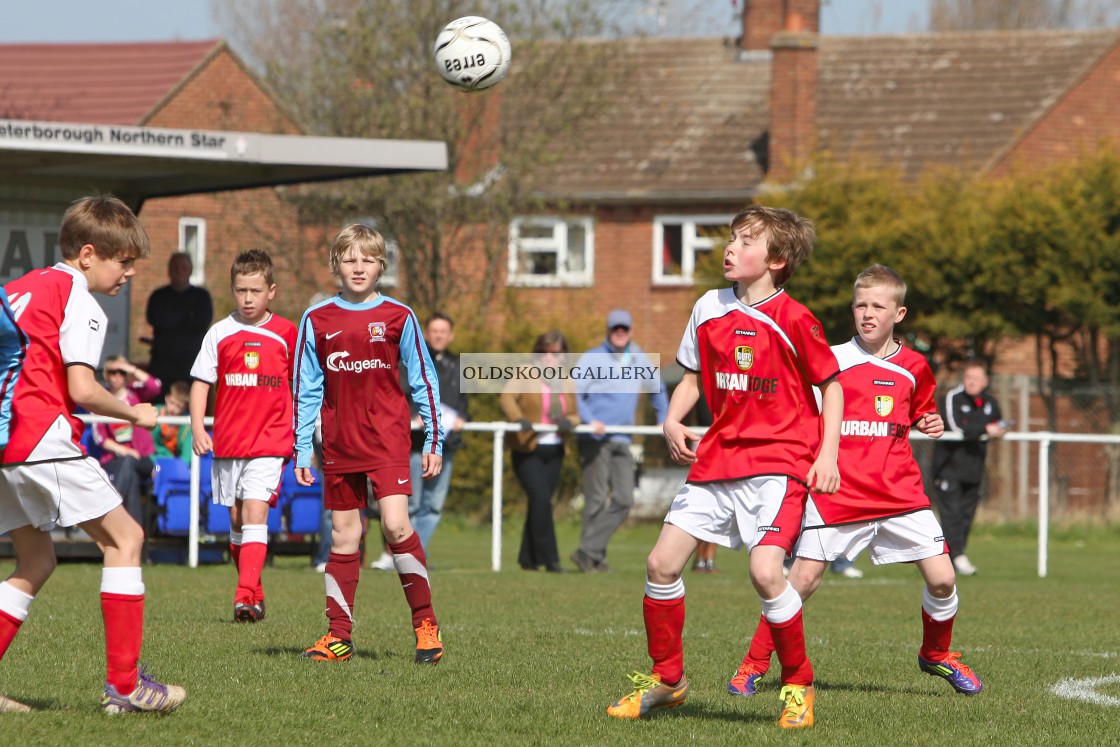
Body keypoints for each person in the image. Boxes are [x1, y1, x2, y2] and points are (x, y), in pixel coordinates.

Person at [606, 206, 841, 730]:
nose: (730, 248)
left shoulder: (797, 319)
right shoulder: (709, 306)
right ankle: (669, 681)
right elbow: (691, 377)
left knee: (764, 573)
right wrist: (672, 419)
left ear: (776, 260)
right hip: (718, 458)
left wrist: (826, 455)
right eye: (732, 238)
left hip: (779, 464)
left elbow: (832, 385)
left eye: (745, 241)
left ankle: (798, 684)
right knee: (661, 565)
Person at [728, 264, 983, 703]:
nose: (868, 314)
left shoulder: (916, 366)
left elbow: (918, 411)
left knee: (943, 579)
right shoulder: (830, 360)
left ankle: (936, 653)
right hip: (838, 492)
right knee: (802, 580)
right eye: (860, 305)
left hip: (900, 491)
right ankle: (752, 664)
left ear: (898, 313)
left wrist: (930, 420)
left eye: (878, 306)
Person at [0, 195, 185, 714]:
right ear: (87, 254)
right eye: (122, 261)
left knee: (35, 559)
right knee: (127, 538)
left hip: (5, 443)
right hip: (42, 439)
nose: (128, 272)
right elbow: (82, 389)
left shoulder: (20, 288)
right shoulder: (79, 297)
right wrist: (136, 413)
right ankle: (125, 687)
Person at [293, 223, 445, 665]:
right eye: (349, 259)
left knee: (396, 526)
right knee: (344, 537)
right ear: (335, 265)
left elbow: (424, 381)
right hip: (339, 443)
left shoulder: (400, 316)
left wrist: (434, 438)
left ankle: (425, 626)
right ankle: (338, 636)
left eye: (367, 259)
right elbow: (306, 388)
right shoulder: (316, 319)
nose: (358, 267)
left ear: (382, 265)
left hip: (388, 441)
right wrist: (304, 447)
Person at [189, 249, 297, 623]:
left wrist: (303, 431)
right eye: (241, 290)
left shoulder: (287, 334)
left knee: (255, 512)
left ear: (271, 291)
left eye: (255, 290)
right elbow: (202, 382)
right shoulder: (220, 332)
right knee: (236, 522)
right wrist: (198, 426)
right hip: (230, 442)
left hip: (271, 442)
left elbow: (302, 385)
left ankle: (242, 598)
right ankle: (255, 591)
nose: (248, 298)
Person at [571, 308, 668, 573]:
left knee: (624, 498)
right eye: (615, 329)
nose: (620, 333)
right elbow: (576, 393)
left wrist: (664, 418)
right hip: (595, 438)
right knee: (597, 497)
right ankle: (594, 558)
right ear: (608, 331)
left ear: (630, 331)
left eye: (624, 329)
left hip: (623, 438)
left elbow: (658, 389)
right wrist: (590, 420)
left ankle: (587, 551)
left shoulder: (639, 357)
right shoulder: (592, 358)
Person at [370, 312, 468, 569]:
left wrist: (461, 419)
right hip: (414, 445)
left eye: (443, 331)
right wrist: (415, 416)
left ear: (451, 335)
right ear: (426, 333)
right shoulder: (409, 361)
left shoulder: (458, 366)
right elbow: (398, 397)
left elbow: (463, 404)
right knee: (409, 504)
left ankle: (415, 555)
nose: (438, 335)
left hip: (446, 447)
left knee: (433, 506)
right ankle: (400, 555)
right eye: (434, 331)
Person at [500, 331, 581, 573]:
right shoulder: (525, 373)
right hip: (527, 448)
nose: (549, 358)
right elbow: (506, 398)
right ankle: (551, 559)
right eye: (544, 352)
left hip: (555, 449)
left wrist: (570, 422)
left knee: (540, 504)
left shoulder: (567, 380)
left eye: (555, 353)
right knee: (541, 500)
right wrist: (519, 418)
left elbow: (575, 414)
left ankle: (528, 559)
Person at [930, 359, 1007, 577]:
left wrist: (1000, 429)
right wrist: (985, 428)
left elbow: (999, 423)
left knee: (966, 516)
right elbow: (957, 426)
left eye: (976, 379)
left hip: (974, 470)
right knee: (950, 514)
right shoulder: (951, 397)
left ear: (985, 381)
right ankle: (956, 557)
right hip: (948, 469)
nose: (972, 383)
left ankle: (953, 556)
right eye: (968, 378)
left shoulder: (990, 401)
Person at [91, 356, 161, 527]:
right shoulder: (102, 398)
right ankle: (136, 531)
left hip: (143, 459)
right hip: (115, 460)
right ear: (107, 374)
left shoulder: (135, 393)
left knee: (130, 464)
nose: (117, 376)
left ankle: (109, 514)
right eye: (112, 372)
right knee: (131, 474)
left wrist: (131, 369)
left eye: (121, 372)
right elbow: (100, 437)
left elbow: (155, 386)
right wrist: (124, 451)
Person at [146, 252, 213, 396]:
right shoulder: (158, 296)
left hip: (191, 366)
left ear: (190, 270)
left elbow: (201, 323)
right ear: (169, 270)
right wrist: (186, 316)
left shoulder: (201, 297)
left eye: (183, 267)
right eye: (175, 267)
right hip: (162, 366)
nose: (179, 271)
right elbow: (154, 319)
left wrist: (171, 318)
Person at [152, 381, 193, 465]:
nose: (173, 409)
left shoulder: (187, 423)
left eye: (178, 406)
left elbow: (187, 456)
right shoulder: (153, 413)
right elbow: (147, 447)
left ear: (185, 407)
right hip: (153, 461)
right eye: (171, 403)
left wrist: (176, 467)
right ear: (166, 398)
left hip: (175, 464)